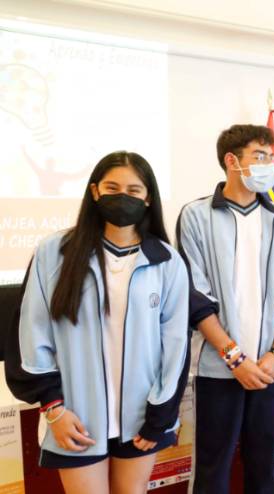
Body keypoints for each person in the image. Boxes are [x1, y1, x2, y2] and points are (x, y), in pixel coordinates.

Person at [5, 151, 190, 494]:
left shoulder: (167, 262)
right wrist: (54, 409)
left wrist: (160, 415)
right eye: (112, 188)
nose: (123, 197)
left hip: (141, 417)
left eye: (134, 190)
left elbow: (176, 345)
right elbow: (31, 332)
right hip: (76, 418)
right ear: (95, 191)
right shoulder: (54, 252)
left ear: (148, 198)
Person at [177, 124, 274, 494]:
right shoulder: (196, 216)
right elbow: (195, 296)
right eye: (259, 156)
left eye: (271, 157)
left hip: (268, 367)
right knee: (213, 467)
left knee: (263, 464)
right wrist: (234, 357)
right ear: (232, 161)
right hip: (219, 367)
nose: (269, 165)